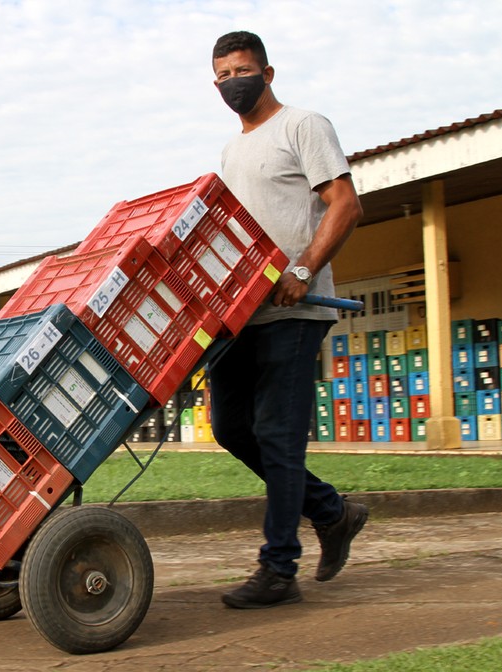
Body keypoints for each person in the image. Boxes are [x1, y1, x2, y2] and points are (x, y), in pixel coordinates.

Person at [208, 30, 368, 609]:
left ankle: (279, 570)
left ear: (268, 73)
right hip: (241, 316)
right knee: (231, 428)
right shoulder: (230, 151)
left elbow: (345, 202)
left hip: (294, 310)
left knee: (279, 437)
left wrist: (302, 268)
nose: (234, 83)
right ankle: (332, 511)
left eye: (242, 71)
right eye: (223, 76)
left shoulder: (303, 126)